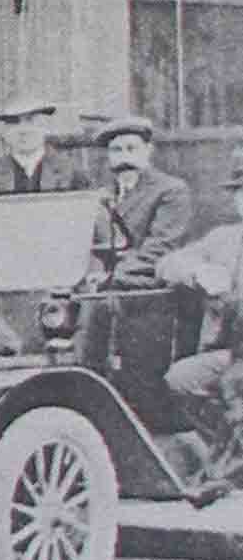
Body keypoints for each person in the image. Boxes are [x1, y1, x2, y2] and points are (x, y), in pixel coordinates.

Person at [158, 148, 243, 491]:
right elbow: (166, 264)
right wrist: (198, 271)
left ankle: (226, 467)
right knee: (181, 378)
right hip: (229, 355)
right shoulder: (221, 240)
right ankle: (226, 449)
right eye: (241, 193)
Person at [94, 115, 193, 282]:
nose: (124, 158)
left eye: (131, 149)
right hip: (106, 284)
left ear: (148, 150)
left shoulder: (171, 190)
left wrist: (110, 277)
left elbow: (161, 248)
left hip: (150, 284)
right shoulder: (102, 195)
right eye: (116, 150)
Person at [0, 95, 88, 197]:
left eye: (31, 120)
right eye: (14, 122)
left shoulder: (72, 173)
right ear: (3, 131)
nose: (23, 130)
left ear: (46, 126)